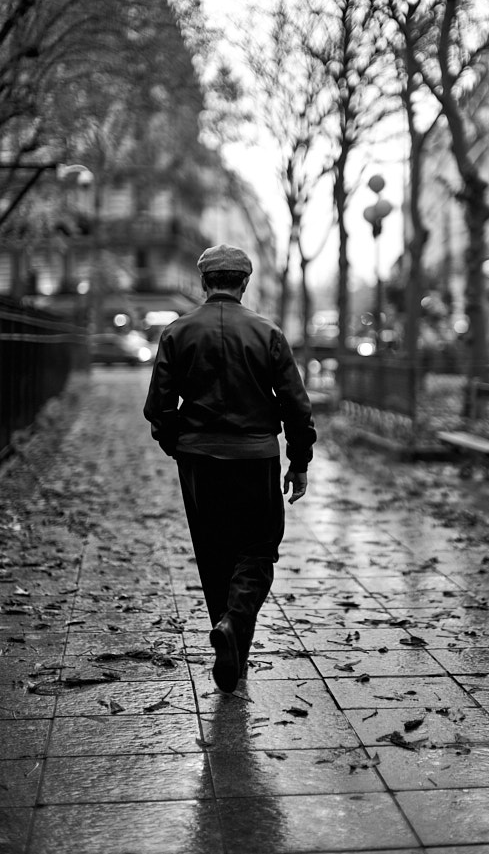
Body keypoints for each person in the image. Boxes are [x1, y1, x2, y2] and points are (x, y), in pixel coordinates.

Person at [143, 244, 316, 693]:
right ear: (244, 282)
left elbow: (157, 407)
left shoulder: (177, 332)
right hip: (255, 458)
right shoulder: (268, 333)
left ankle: (231, 646)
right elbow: (296, 407)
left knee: (214, 556)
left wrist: (177, 443)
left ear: (204, 283)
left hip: (199, 461)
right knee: (258, 550)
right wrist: (299, 461)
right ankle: (234, 630)